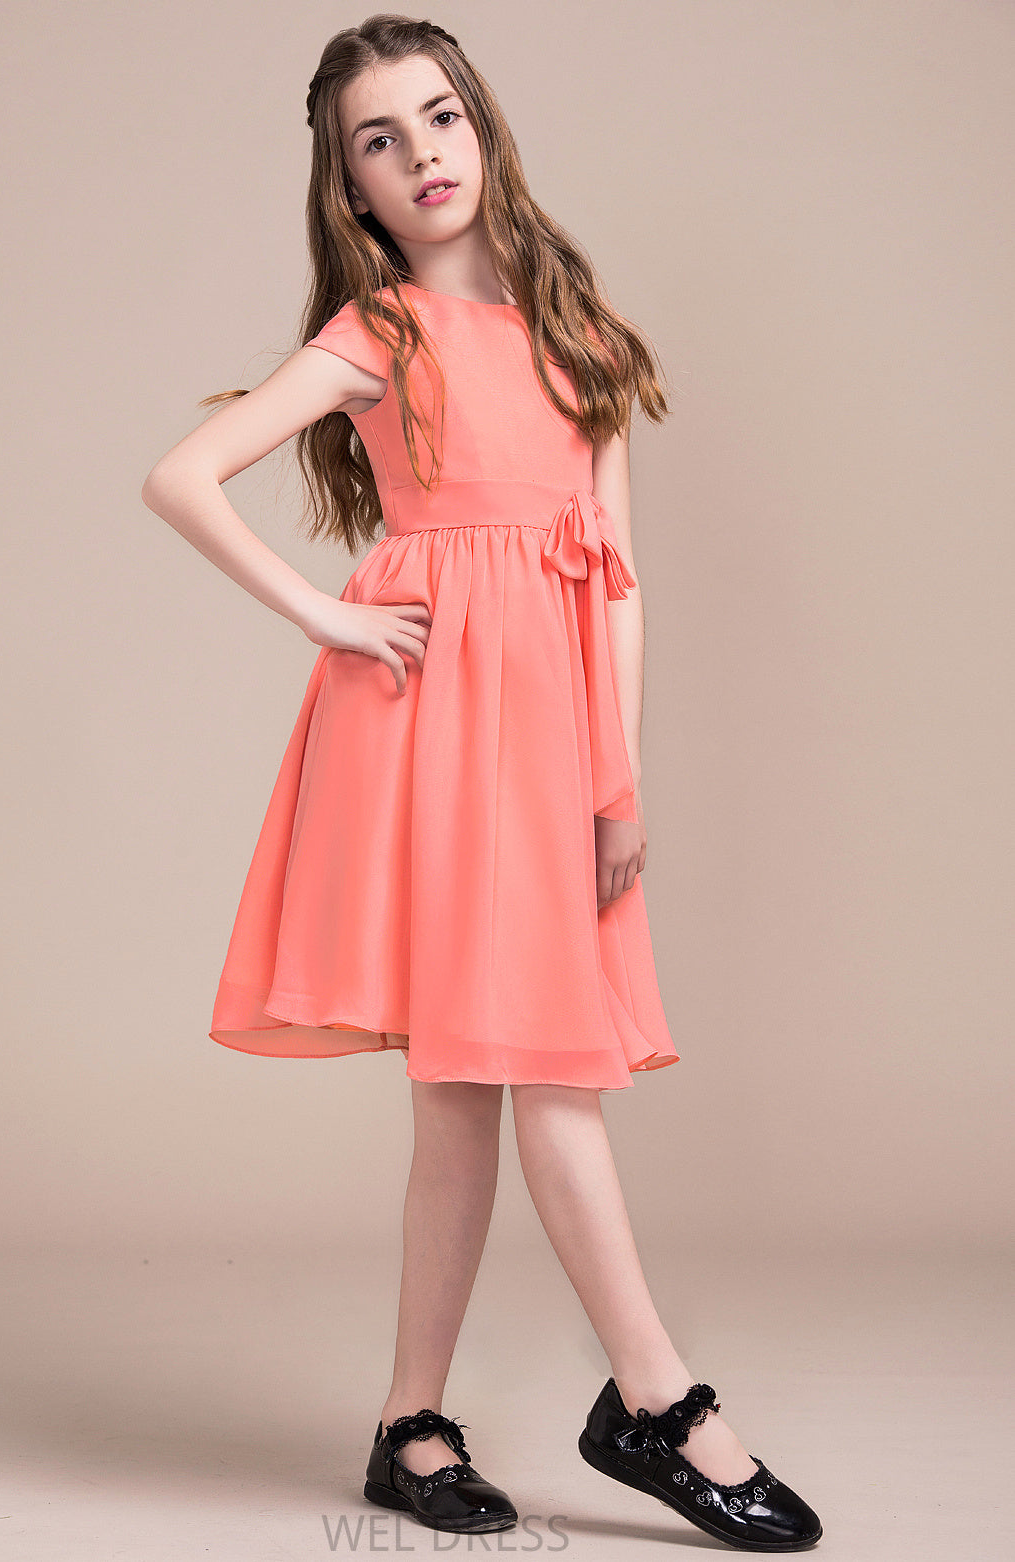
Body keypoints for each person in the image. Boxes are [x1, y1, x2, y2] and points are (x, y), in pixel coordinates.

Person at [140, 14, 822, 1552]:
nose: (421, 154)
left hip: (553, 740)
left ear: (483, 127)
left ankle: (412, 1423)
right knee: (519, 1079)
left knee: (473, 1090)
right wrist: (326, 615)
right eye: (379, 141)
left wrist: (616, 780)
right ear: (351, 188)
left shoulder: (577, 328)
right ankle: (661, 1403)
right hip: (432, 729)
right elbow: (182, 476)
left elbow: (617, 575)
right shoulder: (377, 332)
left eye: (439, 117)